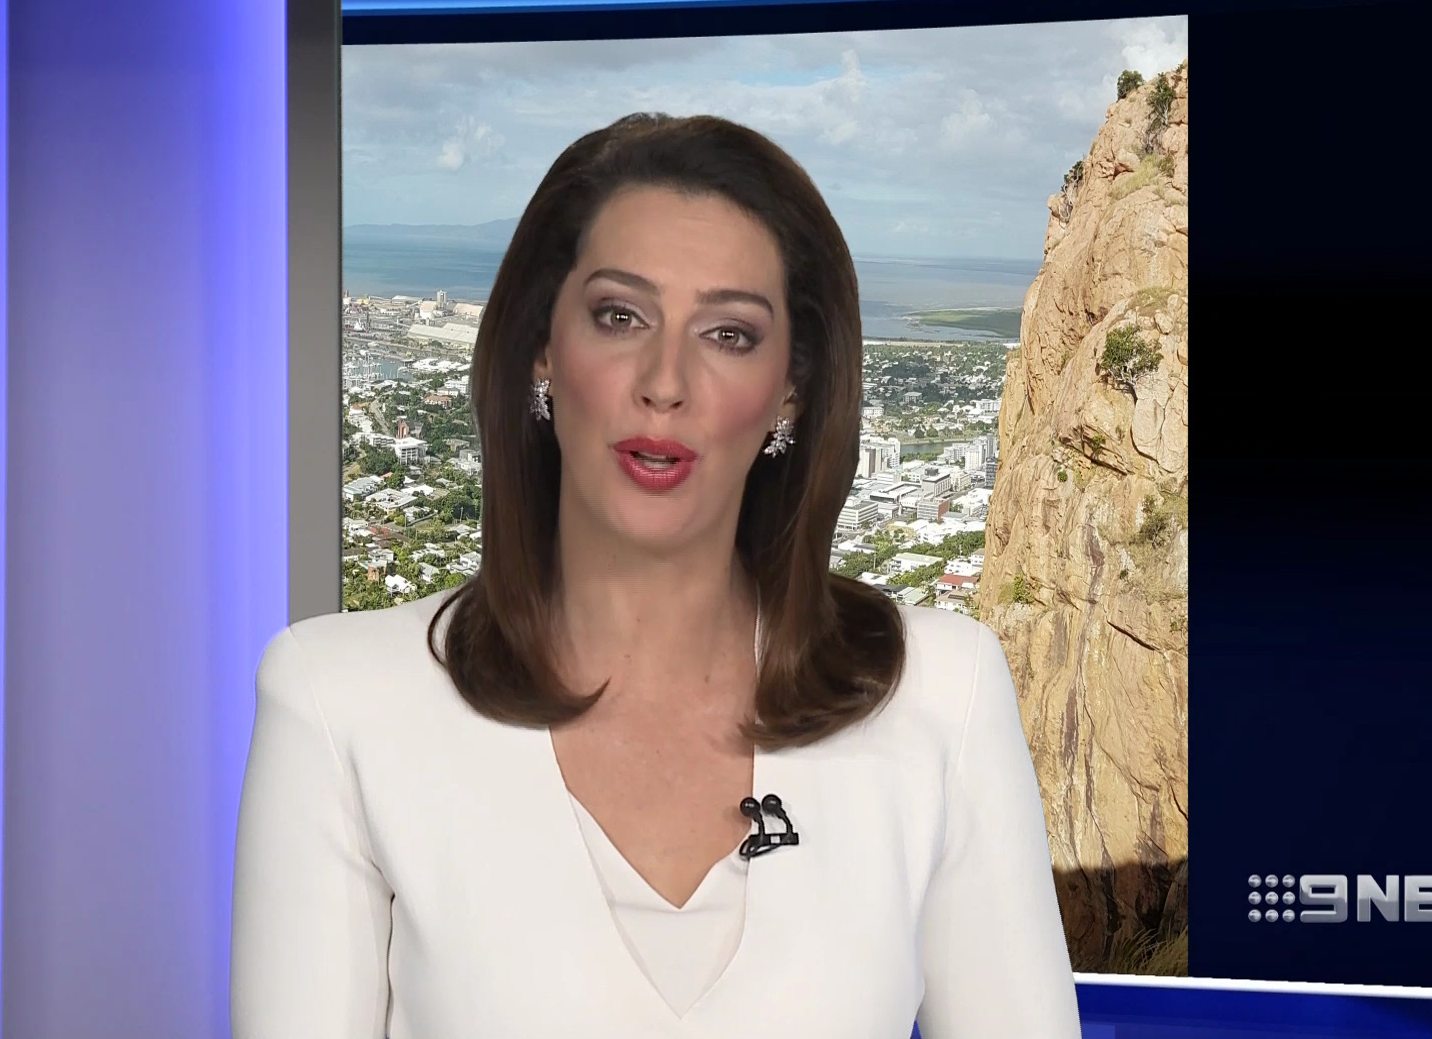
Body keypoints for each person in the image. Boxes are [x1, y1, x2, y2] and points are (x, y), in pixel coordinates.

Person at [231, 113, 1080, 1038]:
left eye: (729, 334)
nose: (665, 380)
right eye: (620, 316)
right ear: (542, 346)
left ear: (792, 389)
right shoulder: (338, 704)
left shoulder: (941, 695)